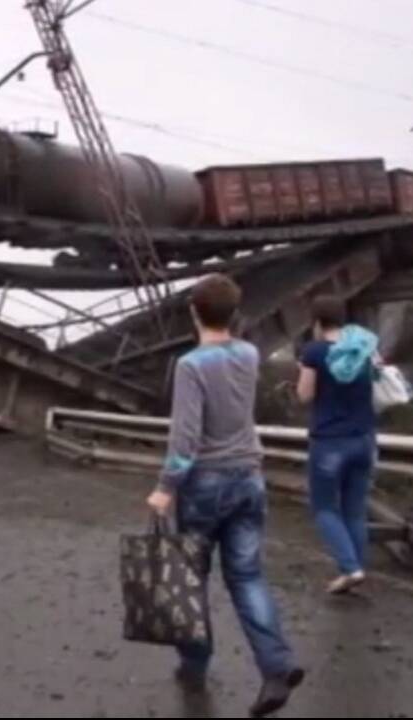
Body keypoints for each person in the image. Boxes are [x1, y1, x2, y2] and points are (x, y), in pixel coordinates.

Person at [146, 274, 303, 718]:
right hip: (249, 479)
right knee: (247, 576)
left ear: (194, 312)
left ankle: (194, 662)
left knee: (190, 579)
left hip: (206, 486)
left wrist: (164, 489)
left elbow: (185, 440)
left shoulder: (192, 366)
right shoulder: (249, 354)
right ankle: (277, 665)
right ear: (235, 314)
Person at [297, 295, 378, 595]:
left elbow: (304, 394)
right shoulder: (362, 350)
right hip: (364, 439)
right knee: (354, 511)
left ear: (317, 323)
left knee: (324, 509)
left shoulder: (315, 351)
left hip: (330, 441)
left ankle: (350, 567)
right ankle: (355, 569)